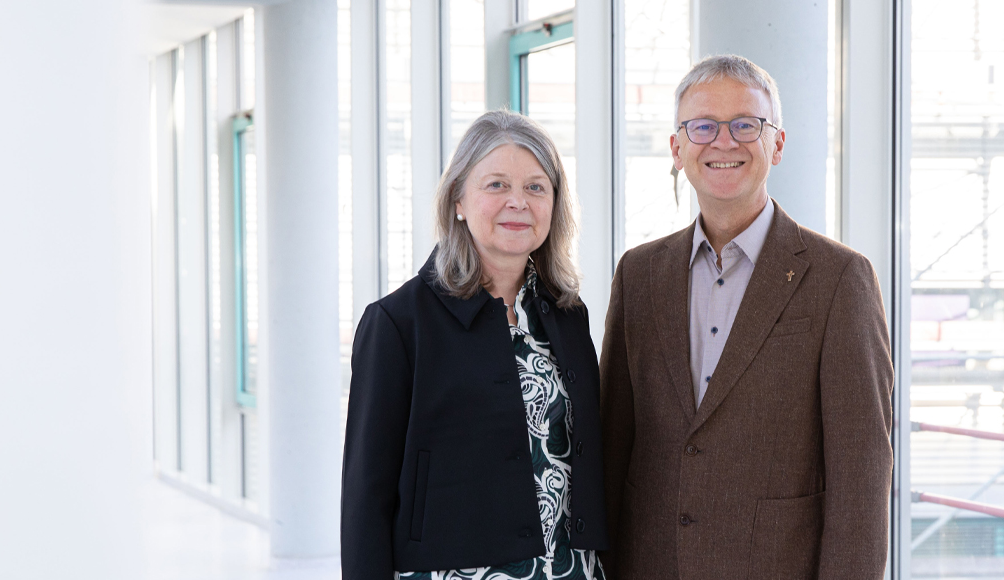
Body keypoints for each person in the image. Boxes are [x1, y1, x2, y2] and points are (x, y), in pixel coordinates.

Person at [599, 54, 894, 579]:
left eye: (745, 125)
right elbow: (613, 446)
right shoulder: (638, 275)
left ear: (776, 144)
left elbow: (862, 476)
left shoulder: (839, 278)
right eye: (703, 126)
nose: (724, 142)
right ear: (677, 148)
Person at [344, 110, 608, 580]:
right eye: (496, 185)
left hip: (568, 570)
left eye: (535, 187)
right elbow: (366, 495)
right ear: (458, 200)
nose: (518, 202)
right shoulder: (398, 323)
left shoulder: (568, 315)